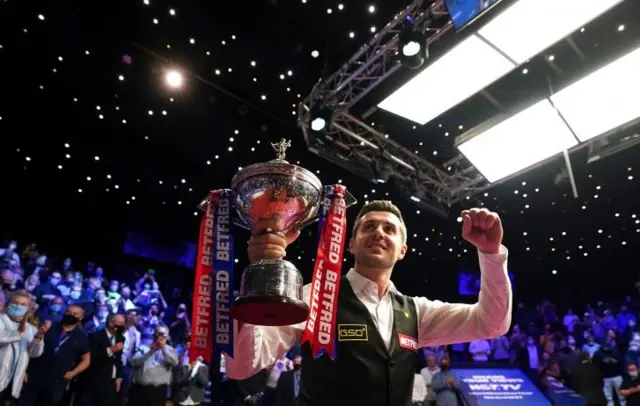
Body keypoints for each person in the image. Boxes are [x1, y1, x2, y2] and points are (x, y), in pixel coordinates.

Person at [225, 202, 512, 406]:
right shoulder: (316, 296)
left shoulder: (416, 310)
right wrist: (261, 279)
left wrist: (490, 254)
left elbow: (491, 322)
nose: (379, 232)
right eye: (369, 226)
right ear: (350, 244)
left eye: (390, 229)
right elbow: (242, 367)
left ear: (402, 250)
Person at [21, 304, 91, 406]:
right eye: (68, 312)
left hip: (57, 381)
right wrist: (23, 370)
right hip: (34, 375)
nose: (71, 315)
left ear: (80, 318)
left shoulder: (82, 337)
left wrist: (73, 372)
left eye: (75, 314)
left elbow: (86, 360)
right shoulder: (49, 327)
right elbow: (29, 349)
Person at [0, 290, 48, 405]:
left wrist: (38, 338)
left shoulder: (31, 329)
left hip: (13, 381)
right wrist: (19, 333)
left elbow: (34, 354)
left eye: (23, 305)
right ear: (8, 304)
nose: (18, 307)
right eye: (15, 303)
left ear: (28, 308)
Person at [81, 313, 126, 406]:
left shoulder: (120, 338)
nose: (123, 326)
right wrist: (111, 350)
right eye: (120, 323)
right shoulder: (95, 336)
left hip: (111, 383)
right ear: (111, 323)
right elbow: (91, 358)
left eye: (123, 323)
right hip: (95, 381)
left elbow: (118, 359)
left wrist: (119, 377)